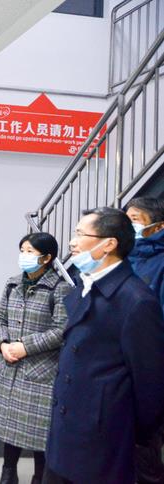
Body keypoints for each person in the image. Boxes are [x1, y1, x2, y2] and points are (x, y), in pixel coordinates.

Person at [44, 207, 164, 484]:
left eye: (80, 234)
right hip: (67, 431)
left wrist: (134, 436)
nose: (72, 242)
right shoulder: (85, 286)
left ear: (108, 244)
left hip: (103, 440)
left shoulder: (136, 301)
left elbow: (150, 385)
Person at [0, 233, 71, 484]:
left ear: (47, 257)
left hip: (40, 369)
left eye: (30, 251)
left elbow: (62, 330)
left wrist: (25, 346)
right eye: (22, 250)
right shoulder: (12, 284)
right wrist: (3, 344)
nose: (24, 255)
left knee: (39, 430)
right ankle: (8, 472)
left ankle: (39, 477)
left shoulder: (60, 288)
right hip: (9, 364)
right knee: (9, 425)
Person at [125, 197, 164, 484]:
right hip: (117, 365)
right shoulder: (122, 257)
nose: (128, 225)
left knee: (144, 449)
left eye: (135, 219)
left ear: (158, 226)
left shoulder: (160, 263)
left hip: (148, 367)